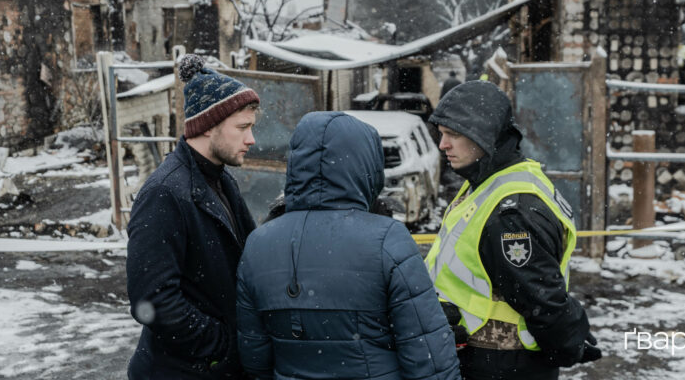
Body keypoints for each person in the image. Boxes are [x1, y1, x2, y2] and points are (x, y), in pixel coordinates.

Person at [236, 111, 461, 380]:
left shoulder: (259, 245)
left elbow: (254, 356)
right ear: (367, 166)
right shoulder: (387, 239)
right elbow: (429, 357)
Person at [424, 81, 601, 380]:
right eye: (442, 135)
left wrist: (569, 343)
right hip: (482, 359)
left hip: (502, 365)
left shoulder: (511, 214)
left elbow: (542, 300)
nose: (443, 145)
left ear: (484, 136)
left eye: (452, 135)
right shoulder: (487, 181)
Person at [126, 54, 260, 379]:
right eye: (242, 128)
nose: (251, 139)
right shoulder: (164, 193)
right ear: (209, 125)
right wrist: (222, 345)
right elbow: (153, 301)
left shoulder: (220, 179)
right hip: (179, 371)